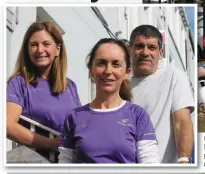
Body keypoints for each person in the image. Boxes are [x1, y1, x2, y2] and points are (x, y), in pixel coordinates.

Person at [58, 38, 159, 163]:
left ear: (127, 73)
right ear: (91, 69)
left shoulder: (138, 115)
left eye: (116, 64)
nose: (108, 71)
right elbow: (64, 166)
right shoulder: (74, 117)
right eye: (101, 63)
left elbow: (150, 165)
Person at [7, 21, 81, 162]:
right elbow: (7, 126)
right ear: (27, 50)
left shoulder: (70, 86)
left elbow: (79, 125)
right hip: (32, 163)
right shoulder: (18, 83)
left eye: (46, 44)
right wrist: (51, 144)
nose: (40, 50)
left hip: (68, 163)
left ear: (58, 50)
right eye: (34, 45)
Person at [129, 25, 194, 163]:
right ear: (130, 49)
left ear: (161, 52)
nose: (145, 52)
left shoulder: (173, 76)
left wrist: (184, 160)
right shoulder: (122, 86)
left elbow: (182, 121)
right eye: (139, 46)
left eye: (152, 47)